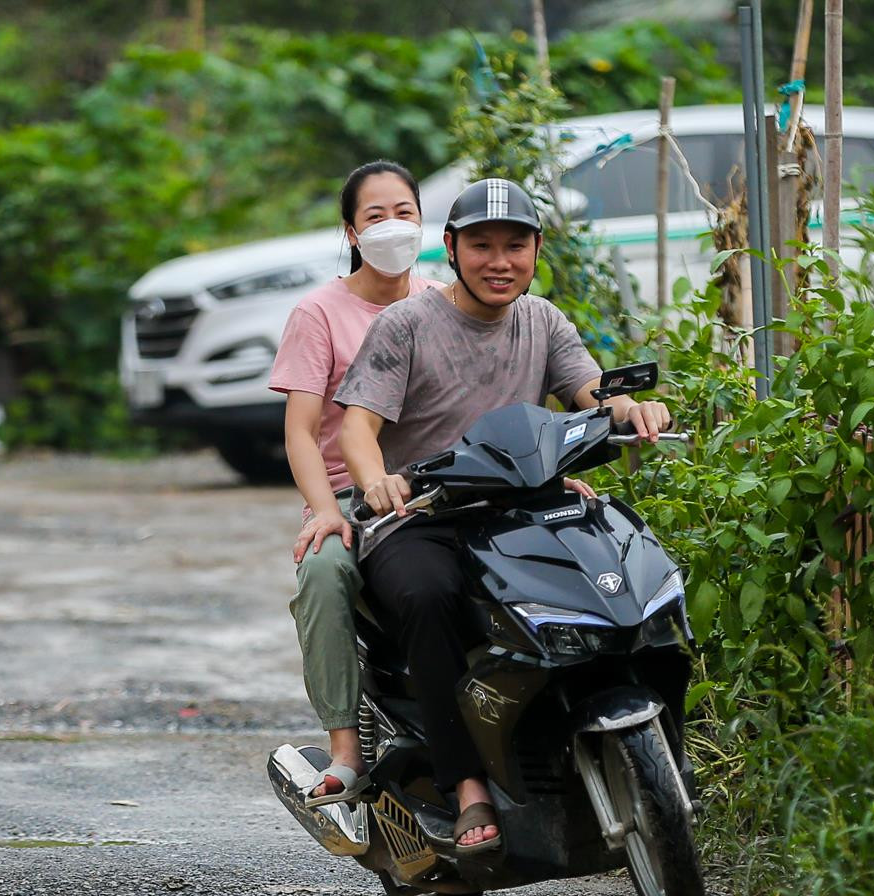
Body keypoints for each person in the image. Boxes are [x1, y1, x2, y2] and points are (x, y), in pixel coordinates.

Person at [335, 177, 670, 853]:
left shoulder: (543, 321)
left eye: (515, 245)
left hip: (520, 509)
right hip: (421, 516)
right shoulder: (406, 324)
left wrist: (634, 411)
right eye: (481, 245)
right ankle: (467, 785)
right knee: (430, 597)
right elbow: (356, 428)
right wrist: (376, 484)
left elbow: (592, 394)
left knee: (615, 563)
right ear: (452, 250)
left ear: (537, 250)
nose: (499, 261)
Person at [268, 160, 439, 833]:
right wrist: (328, 511)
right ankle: (344, 750)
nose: (393, 227)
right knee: (324, 570)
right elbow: (303, 432)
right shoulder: (319, 313)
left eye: (405, 212)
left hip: (438, 488)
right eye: (376, 216)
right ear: (350, 231)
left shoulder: (443, 300)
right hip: (352, 495)